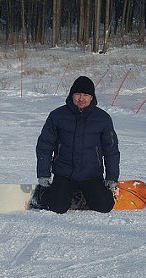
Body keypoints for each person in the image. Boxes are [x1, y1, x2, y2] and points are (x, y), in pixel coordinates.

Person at [31, 76, 120, 214]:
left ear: (92, 97)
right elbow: (45, 146)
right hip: (65, 173)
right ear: (71, 95)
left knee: (104, 206)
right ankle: (41, 195)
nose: (81, 99)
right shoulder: (57, 116)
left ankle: (84, 195)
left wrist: (112, 177)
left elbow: (111, 150)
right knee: (57, 207)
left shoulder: (103, 118)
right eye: (78, 94)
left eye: (86, 95)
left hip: (92, 174)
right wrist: (44, 174)